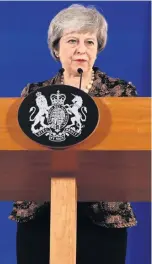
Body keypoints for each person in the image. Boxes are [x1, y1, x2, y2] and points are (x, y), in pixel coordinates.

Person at [9, 4, 138, 264]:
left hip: (102, 215)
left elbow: (131, 154)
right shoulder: (34, 94)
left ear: (97, 49)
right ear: (56, 49)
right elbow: (20, 154)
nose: (82, 48)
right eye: (72, 40)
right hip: (41, 213)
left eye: (89, 41)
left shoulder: (120, 93)